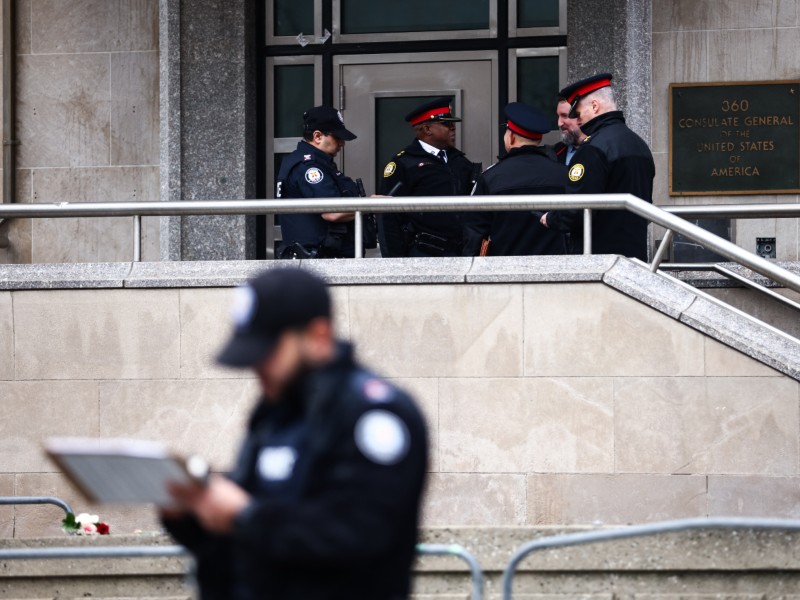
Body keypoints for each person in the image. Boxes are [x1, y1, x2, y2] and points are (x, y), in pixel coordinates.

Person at [161, 268, 429, 600]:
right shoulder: (276, 411)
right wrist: (192, 514)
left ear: (318, 337)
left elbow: (358, 534)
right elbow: (249, 540)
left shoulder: (375, 415)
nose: (258, 369)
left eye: (268, 352)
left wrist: (245, 516)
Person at [540, 74, 656, 261]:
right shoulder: (638, 144)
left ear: (594, 106)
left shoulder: (593, 148)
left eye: (577, 114)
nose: (577, 121)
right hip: (635, 258)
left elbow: (576, 210)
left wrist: (551, 218)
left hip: (600, 261)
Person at [378, 97, 480, 257]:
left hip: (460, 251)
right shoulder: (405, 163)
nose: (453, 128)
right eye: (446, 124)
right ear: (427, 129)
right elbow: (388, 217)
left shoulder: (460, 161)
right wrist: (394, 262)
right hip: (423, 253)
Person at [462, 102, 567, 256]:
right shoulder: (563, 173)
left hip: (504, 270)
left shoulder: (491, 177)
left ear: (510, 137)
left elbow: (474, 232)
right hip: (558, 269)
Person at [275, 106, 360, 259]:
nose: (342, 143)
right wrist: (369, 205)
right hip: (316, 260)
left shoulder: (314, 162)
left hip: (319, 258)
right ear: (318, 136)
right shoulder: (309, 167)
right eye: (337, 137)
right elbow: (333, 212)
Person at [552, 97, 587, 166]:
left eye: (564, 116)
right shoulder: (555, 152)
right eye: (558, 116)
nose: (559, 123)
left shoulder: (602, 149)